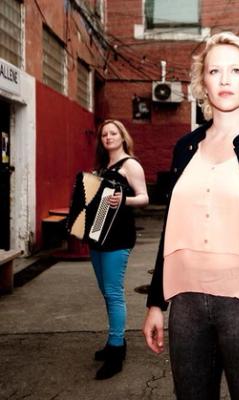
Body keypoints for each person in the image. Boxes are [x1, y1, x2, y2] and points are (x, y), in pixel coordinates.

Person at [142, 32, 239, 399]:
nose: (225, 79)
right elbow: (171, 229)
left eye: (236, 70)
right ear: (203, 82)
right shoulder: (185, 147)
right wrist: (155, 303)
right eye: (214, 71)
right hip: (186, 304)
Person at [90, 119, 149, 379]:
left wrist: (124, 200)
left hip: (118, 237)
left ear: (122, 137)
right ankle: (115, 340)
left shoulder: (130, 164)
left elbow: (144, 197)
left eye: (113, 133)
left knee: (114, 293)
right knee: (106, 290)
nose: (108, 137)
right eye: (104, 134)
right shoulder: (104, 168)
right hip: (97, 235)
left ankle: (116, 350)